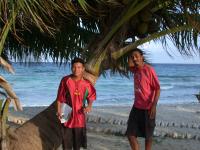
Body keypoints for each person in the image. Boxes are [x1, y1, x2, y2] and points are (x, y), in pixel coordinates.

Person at [56, 58, 96, 150]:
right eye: (74, 67)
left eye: (79, 67)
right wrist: (58, 110)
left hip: (79, 115)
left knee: (77, 145)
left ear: (83, 69)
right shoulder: (65, 80)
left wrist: (89, 106)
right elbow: (59, 97)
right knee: (66, 143)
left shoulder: (87, 84)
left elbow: (91, 96)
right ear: (71, 68)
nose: (76, 69)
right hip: (65, 113)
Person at [126, 48, 160, 150]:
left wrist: (154, 106)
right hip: (136, 107)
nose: (134, 59)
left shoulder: (149, 70)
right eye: (133, 57)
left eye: (136, 56)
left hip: (148, 107)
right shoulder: (135, 70)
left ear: (142, 57)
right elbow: (129, 65)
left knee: (148, 136)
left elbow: (157, 88)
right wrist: (130, 51)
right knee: (130, 134)